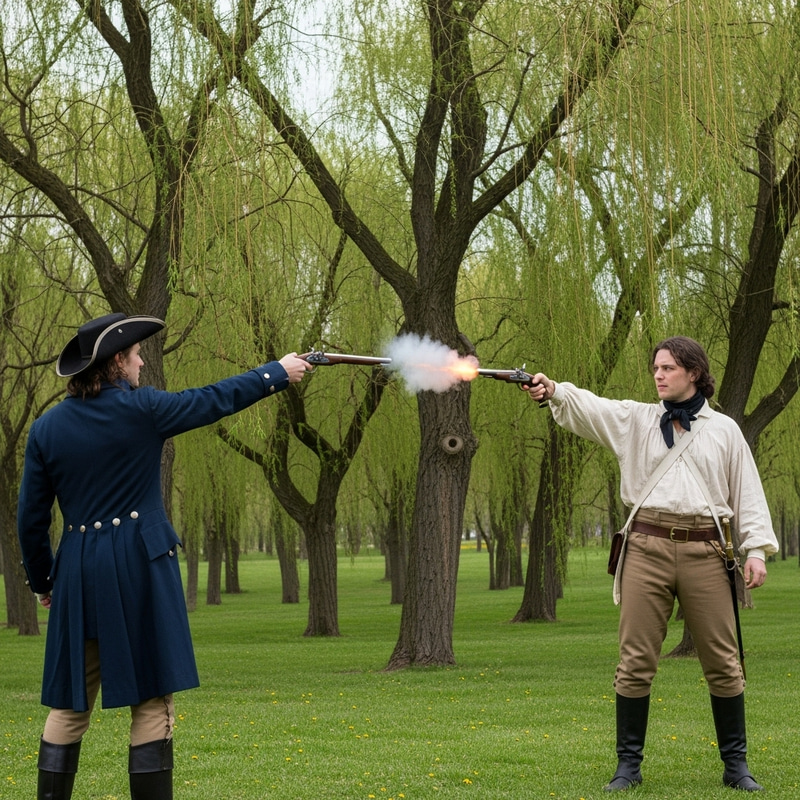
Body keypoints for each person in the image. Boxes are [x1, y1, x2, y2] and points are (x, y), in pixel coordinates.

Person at [18, 312, 310, 800]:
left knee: (70, 705)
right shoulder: (144, 409)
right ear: (116, 363)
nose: (140, 366)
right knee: (152, 702)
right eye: (135, 357)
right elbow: (213, 400)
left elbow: (31, 520)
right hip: (139, 567)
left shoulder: (46, 429)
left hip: (78, 573)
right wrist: (275, 372)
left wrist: (44, 582)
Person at [527, 336, 778, 793]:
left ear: (694, 373)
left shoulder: (724, 430)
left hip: (708, 551)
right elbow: (591, 406)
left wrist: (756, 550)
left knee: (724, 662)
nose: (659, 375)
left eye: (668, 368)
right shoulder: (636, 419)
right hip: (646, 548)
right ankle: (628, 766)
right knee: (635, 661)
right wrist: (554, 390)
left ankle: (736, 766)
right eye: (656, 368)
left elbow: (747, 492)